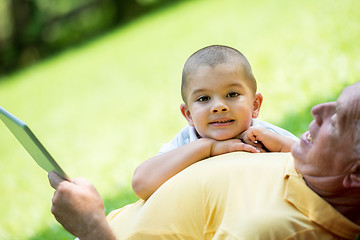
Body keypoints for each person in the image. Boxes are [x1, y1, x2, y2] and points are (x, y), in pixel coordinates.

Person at [49, 81, 360, 239]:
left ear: (355, 175)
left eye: (337, 120)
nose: (318, 110)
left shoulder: (273, 231)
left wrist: (91, 226)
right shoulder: (313, 171)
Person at [132, 45, 298, 200]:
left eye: (232, 94)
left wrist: (280, 145)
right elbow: (141, 184)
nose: (218, 107)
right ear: (188, 114)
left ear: (255, 105)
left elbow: (314, 164)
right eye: (204, 98)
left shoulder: (264, 135)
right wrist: (208, 147)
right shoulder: (185, 142)